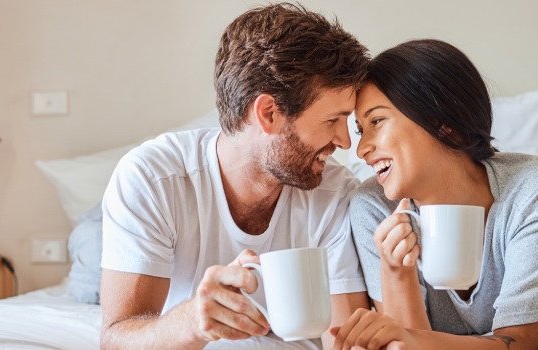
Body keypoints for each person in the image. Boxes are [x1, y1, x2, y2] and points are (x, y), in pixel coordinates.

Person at [98, 3, 371, 349]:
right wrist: (194, 320)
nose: (345, 141)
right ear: (268, 113)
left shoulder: (335, 192)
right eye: (332, 120)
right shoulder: (154, 180)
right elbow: (115, 340)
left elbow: (345, 340)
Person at [332, 39, 538, 349]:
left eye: (377, 121)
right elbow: (408, 344)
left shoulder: (532, 184)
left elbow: (518, 343)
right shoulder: (372, 207)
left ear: (444, 124)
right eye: (360, 129)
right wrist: (396, 271)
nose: (361, 148)